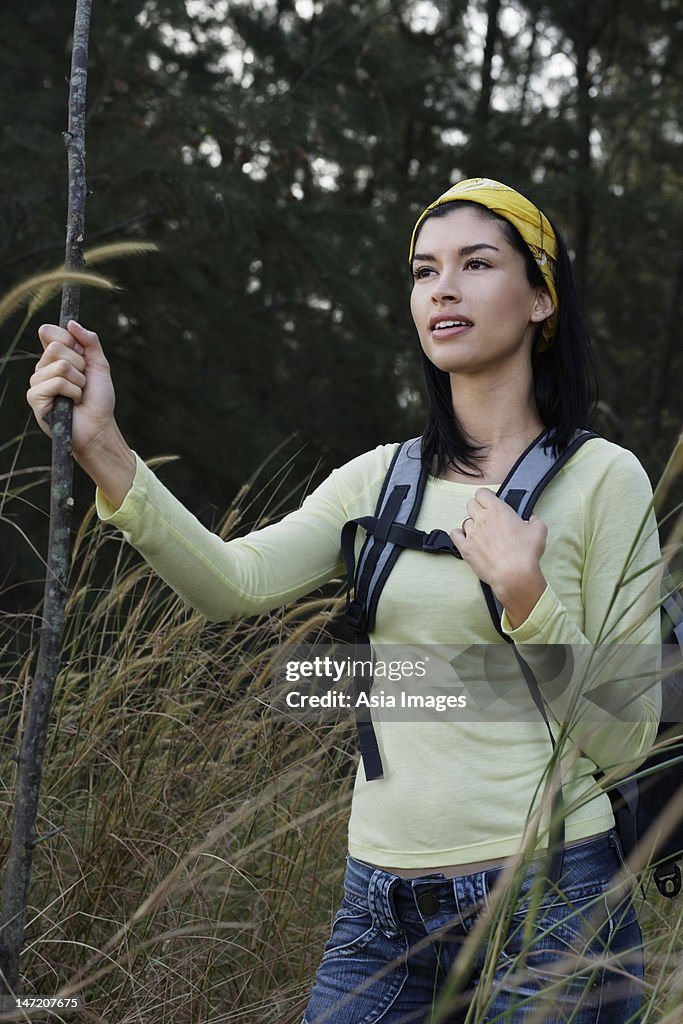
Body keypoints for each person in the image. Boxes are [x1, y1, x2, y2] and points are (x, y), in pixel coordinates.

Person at [28, 177, 661, 1023]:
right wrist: (104, 446)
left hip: (552, 900)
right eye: (423, 269)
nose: (442, 287)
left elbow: (623, 738)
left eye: (476, 264)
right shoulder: (379, 478)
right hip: (380, 902)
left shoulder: (602, 478)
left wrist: (527, 596)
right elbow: (232, 584)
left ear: (540, 297)